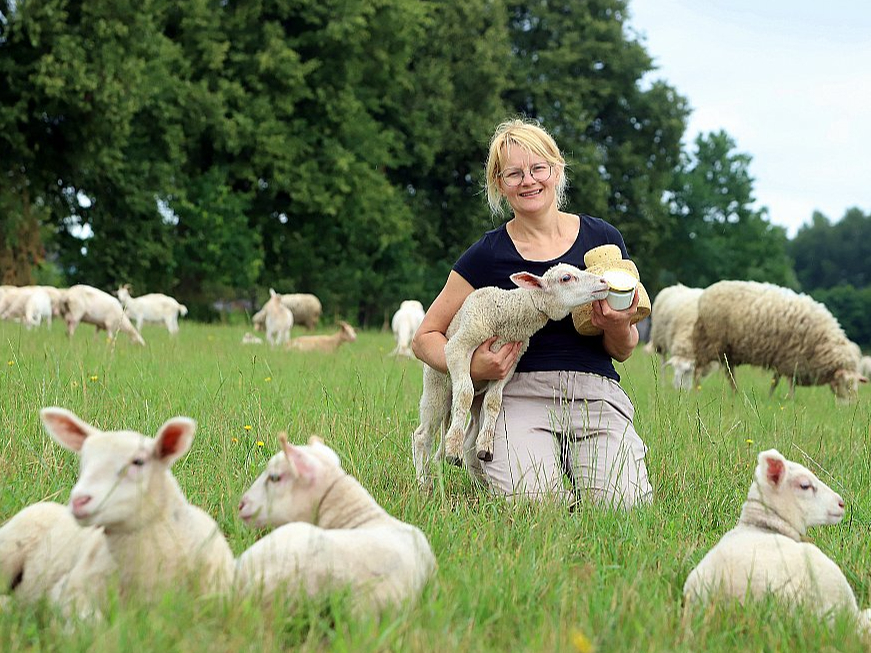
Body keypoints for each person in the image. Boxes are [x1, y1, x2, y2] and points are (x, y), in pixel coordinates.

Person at [411, 118, 652, 509]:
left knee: (622, 506)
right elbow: (425, 337)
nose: (529, 180)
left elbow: (623, 350)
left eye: (538, 168)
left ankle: (582, 467)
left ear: (556, 171)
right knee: (536, 504)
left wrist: (619, 325)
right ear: (500, 185)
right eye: (514, 173)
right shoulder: (486, 254)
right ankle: (528, 462)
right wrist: (473, 367)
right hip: (518, 397)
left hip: (594, 396)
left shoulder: (602, 241)